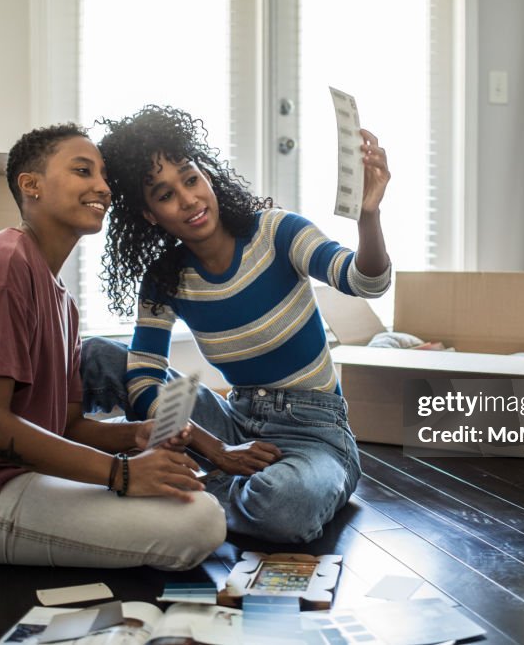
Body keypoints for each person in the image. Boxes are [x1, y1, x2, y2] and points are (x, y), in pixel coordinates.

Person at [0, 123, 225, 568]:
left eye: (103, 176)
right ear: (31, 186)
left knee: (187, 497)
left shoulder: (62, 301)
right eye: (83, 171)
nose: (102, 187)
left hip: (17, 477)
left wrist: (133, 436)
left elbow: (66, 426)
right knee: (199, 523)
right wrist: (121, 473)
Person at [81, 105, 392, 543]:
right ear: (150, 214)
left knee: (284, 507)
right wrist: (218, 450)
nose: (188, 199)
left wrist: (369, 216)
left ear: (206, 176)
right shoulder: (164, 278)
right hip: (232, 422)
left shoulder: (278, 233)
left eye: (190, 179)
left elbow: (366, 281)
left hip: (315, 435)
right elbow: (143, 381)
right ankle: (77, 461)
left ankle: (165, 483)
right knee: (96, 356)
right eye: (165, 194)